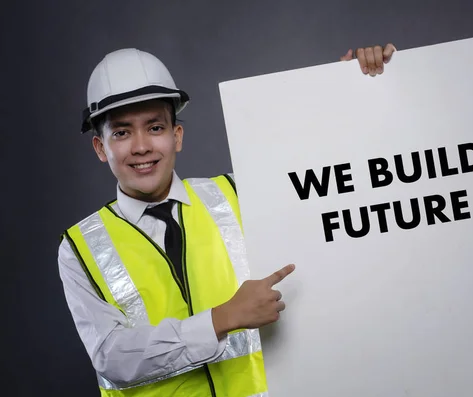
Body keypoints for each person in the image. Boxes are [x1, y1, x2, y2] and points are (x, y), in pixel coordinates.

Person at [57, 43, 397, 397]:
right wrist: (222, 319)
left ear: (177, 136)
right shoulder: (80, 247)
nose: (141, 146)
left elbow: (322, 174)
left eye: (155, 128)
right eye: (122, 133)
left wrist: (346, 91)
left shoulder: (237, 193)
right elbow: (113, 357)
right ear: (101, 147)